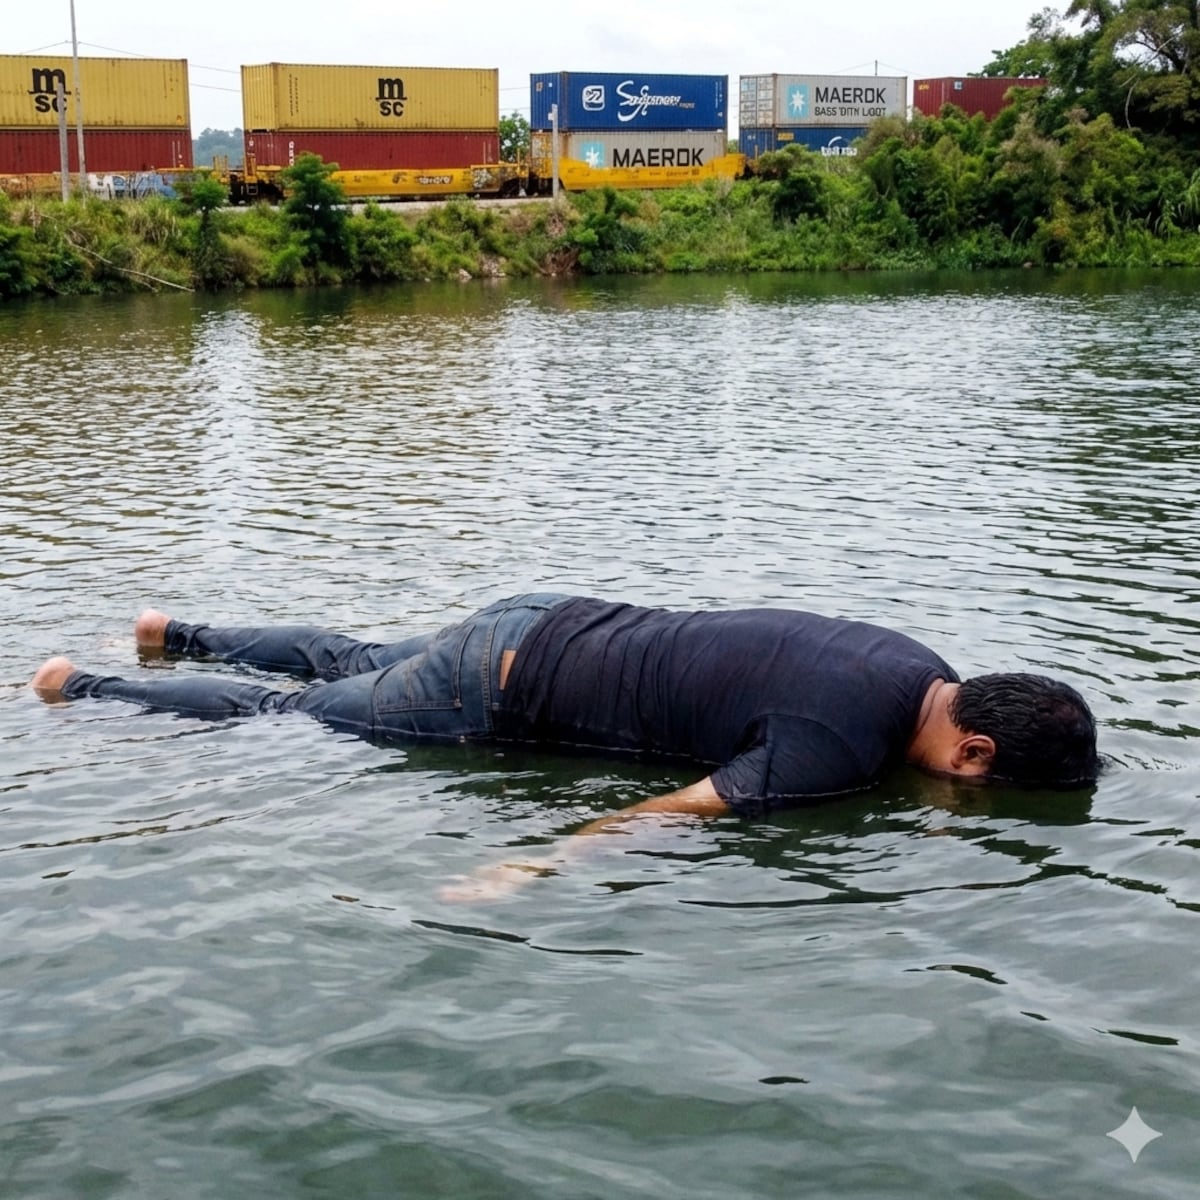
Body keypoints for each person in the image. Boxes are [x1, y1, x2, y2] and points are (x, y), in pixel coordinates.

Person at [30, 592, 1100, 824]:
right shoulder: (837, 751)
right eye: (984, 792)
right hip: (497, 695)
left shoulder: (914, 660)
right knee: (292, 717)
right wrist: (538, 864)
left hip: (547, 618)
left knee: (352, 656)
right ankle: (82, 685)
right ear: (973, 751)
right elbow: (672, 813)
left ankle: (175, 630)